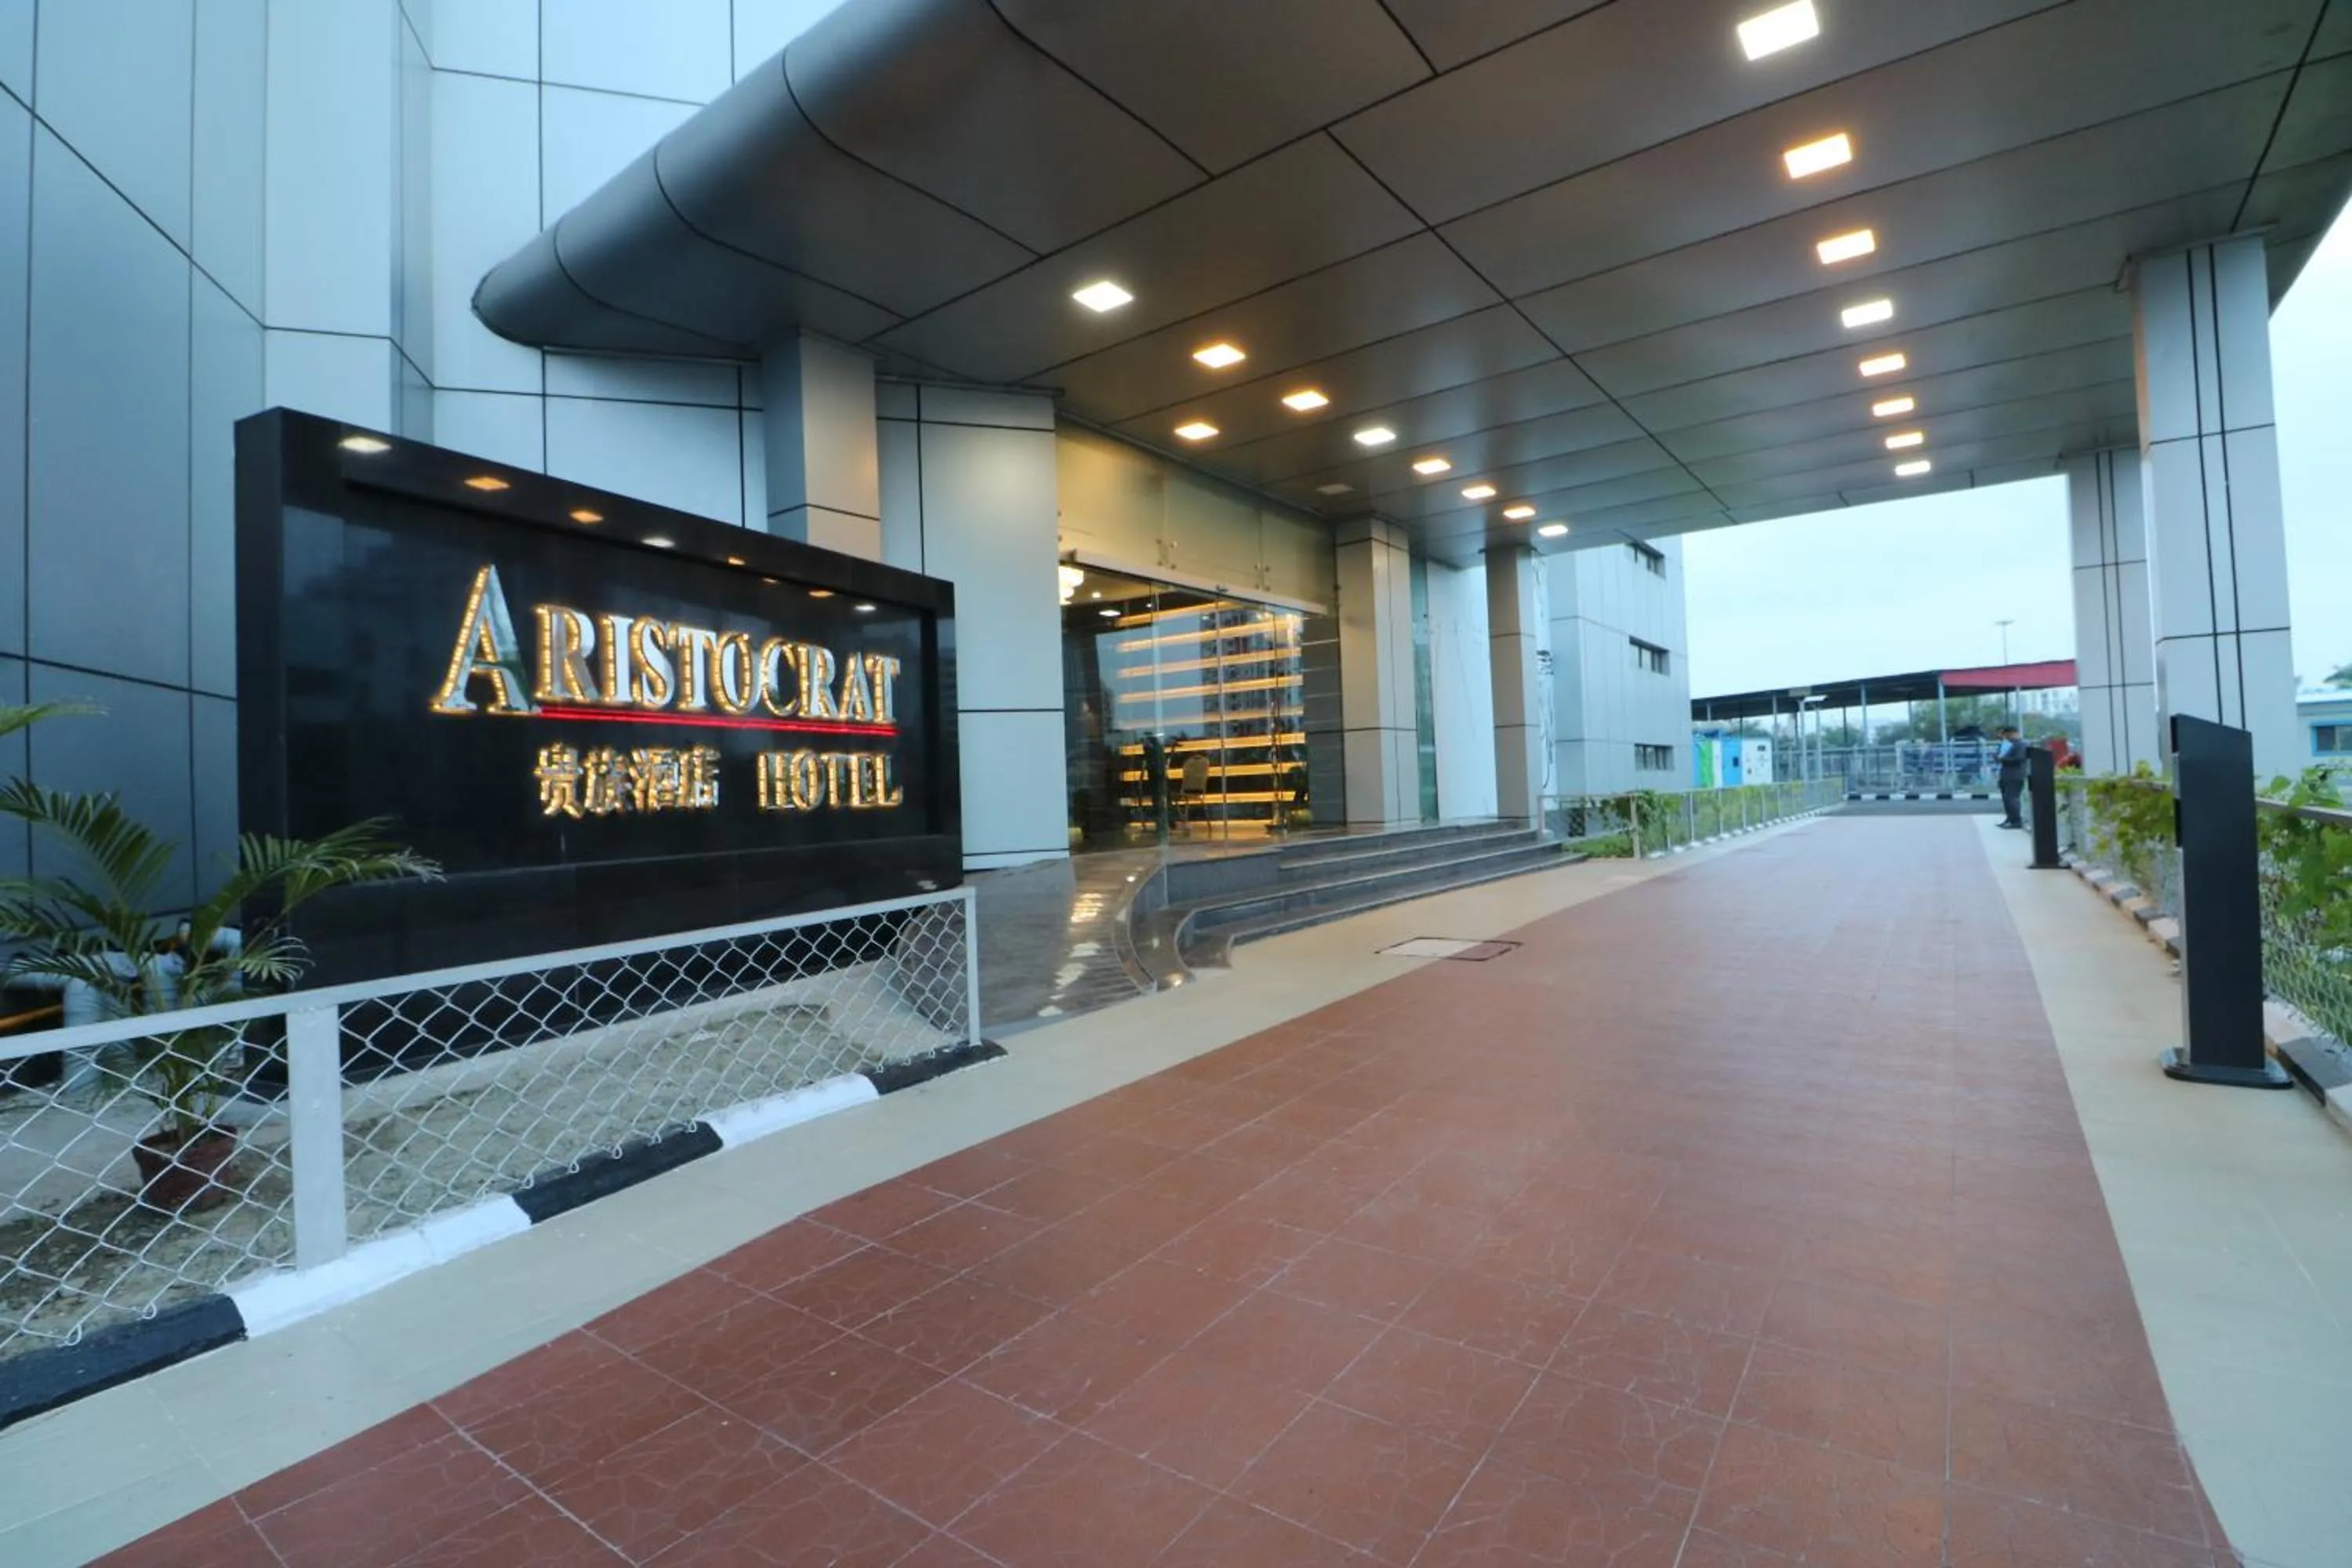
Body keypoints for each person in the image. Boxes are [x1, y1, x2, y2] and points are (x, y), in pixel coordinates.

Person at [1994, 725, 2030, 828]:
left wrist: (2002, 759)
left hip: (2015, 775)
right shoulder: (2010, 745)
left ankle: (2016, 821)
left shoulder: (2021, 745)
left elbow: (2019, 759)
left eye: (2008, 735)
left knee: (2012, 798)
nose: (2007, 738)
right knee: (2006, 799)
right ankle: (2010, 818)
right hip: (2006, 775)